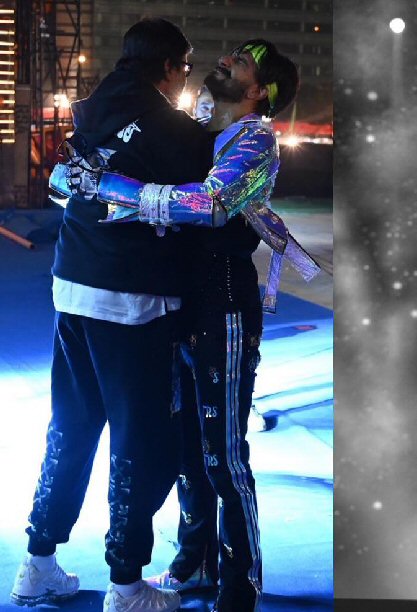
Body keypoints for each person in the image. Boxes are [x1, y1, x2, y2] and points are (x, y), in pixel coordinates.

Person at [52, 40, 308, 612]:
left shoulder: (257, 139)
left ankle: (241, 578)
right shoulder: (192, 122)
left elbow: (211, 205)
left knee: (222, 451)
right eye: (233, 55)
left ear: (257, 92)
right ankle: (194, 560)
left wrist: (117, 190)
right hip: (172, 298)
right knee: (183, 444)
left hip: (222, 301)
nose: (227, 61)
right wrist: (78, 173)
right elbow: (122, 161)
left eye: (242, 62)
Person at [10, 18, 216, 612]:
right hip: (131, 299)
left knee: (70, 427)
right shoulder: (173, 130)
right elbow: (210, 201)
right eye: (186, 66)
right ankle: (126, 584)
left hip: (71, 285)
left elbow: (61, 183)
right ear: (172, 66)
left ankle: (38, 562)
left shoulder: (93, 106)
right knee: (140, 439)